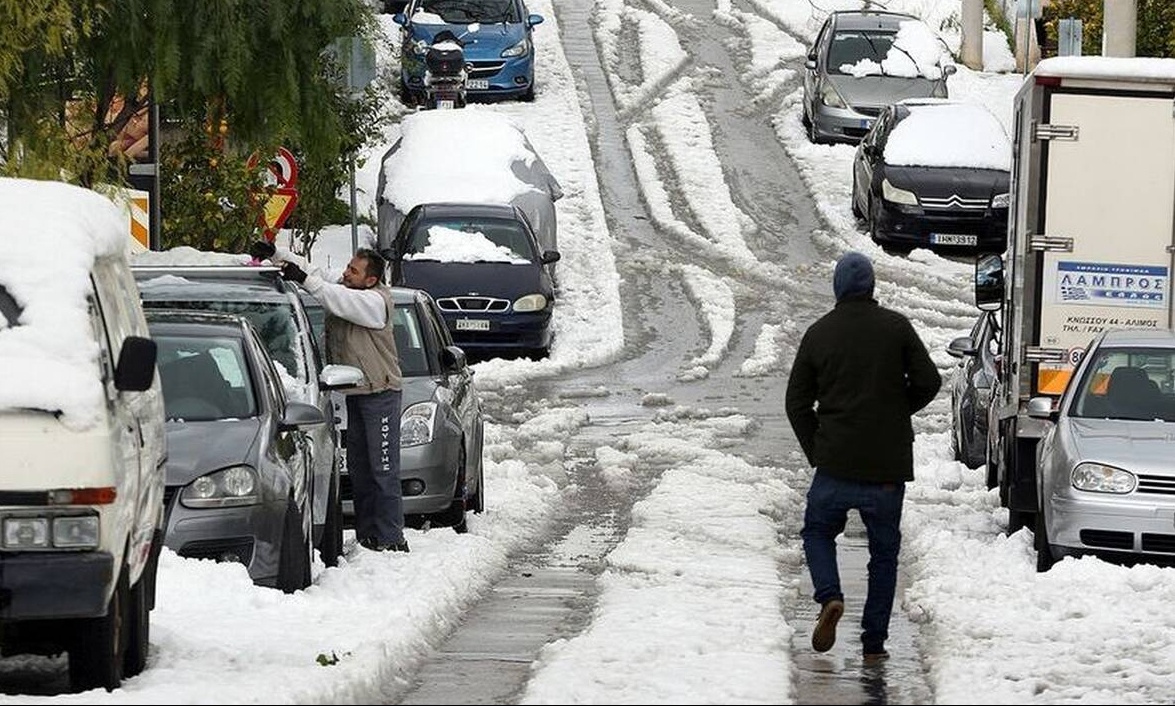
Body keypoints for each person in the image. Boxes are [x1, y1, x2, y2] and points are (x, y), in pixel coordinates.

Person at [784, 251, 941, 663]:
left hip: (834, 462)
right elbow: (929, 380)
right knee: (884, 555)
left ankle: (830, 596)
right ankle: (874, 645)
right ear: (872, 286)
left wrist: (816, 448)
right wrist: (895, 411)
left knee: (818, 533)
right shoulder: (897, 328)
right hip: (886, 468)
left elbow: (796, 402)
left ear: (837, 287)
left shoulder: (819, 333)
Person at [276, 247, 409, 553]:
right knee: (361, 468)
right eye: (347, 267)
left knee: (383, 469)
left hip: (381, 393)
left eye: (353, 271)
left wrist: (307, 282)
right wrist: (278, 255)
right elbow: (319, 275)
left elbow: (337, 298)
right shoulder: (352, 287)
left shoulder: (374, 302)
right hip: (358, 392)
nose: (346, 274)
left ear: (371, 279)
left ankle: (391, 538)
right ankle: (367, 537)